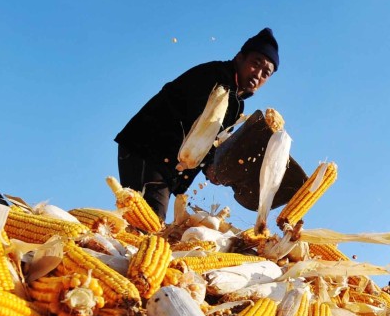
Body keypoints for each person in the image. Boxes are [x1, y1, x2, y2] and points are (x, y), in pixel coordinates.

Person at [115, 28, 280, 220]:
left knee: (146, 223)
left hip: (164, 166)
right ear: (240, 57)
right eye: (255, 63)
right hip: (147, 149)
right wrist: (210, 163)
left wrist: (215, 168)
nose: (258, 74)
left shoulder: (237, 104)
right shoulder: (214, 77)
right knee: (150, 221)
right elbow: (197, 125)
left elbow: (212, 141)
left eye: (266, 73)